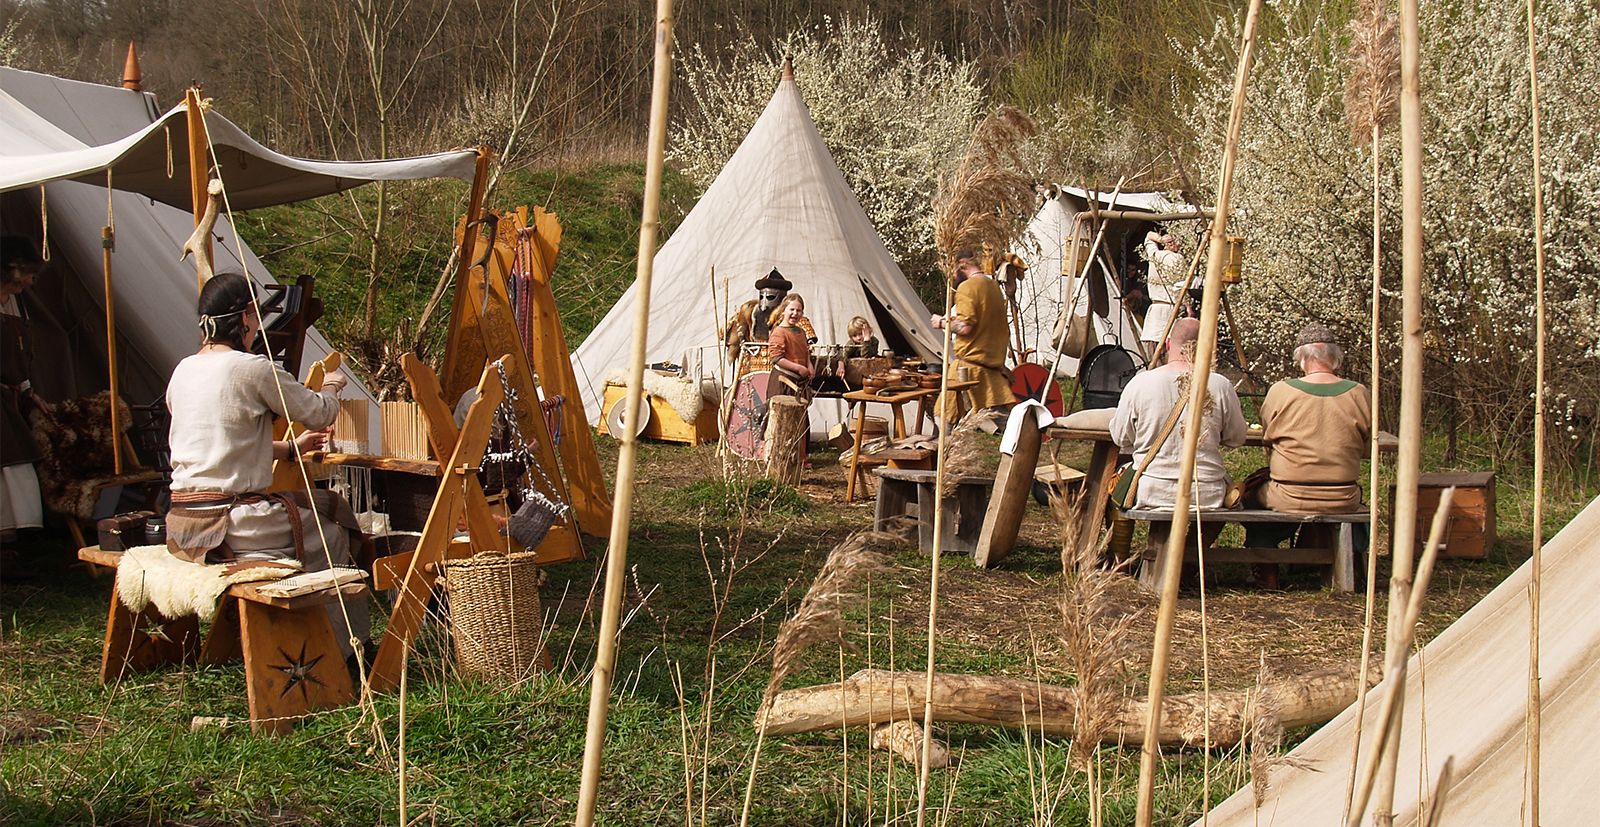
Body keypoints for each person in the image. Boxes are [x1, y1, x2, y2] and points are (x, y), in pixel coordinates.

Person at [164, 272, 368, 654]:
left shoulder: (182, 371)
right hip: (232, 524)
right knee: (331, 531)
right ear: (243, 318)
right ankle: (348, 651)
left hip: (184, 525)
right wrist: (331, 385)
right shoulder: (253, 368)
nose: (256, 327)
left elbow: (220, 441)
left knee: (315, 516)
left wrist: (290, 450)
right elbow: (320, 413)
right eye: (255, 318)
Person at [1244, 322, 1372, 588]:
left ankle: (1266, 568)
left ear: (1301, 357)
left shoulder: (1281, 391)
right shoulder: (1360, 393)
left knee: (1246, 496)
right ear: (1335, 357)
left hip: (1288, 494)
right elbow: (1367, 449)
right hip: (1343, 496)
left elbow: (1268, 434)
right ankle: (1338, 565)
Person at [1110, 317, 1248, 509]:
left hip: (1153, 490)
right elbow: (1237, 438)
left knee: (1117, 479)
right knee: (1231, 492)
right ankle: (1196, 540)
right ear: (1206, 347)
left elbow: (1120, 438)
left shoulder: (1140, 383)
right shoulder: (1221, 384)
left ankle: (1119, 539)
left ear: (1168, 344)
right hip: (1206, 493)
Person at [1, 237, 50, 571]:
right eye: (27, 273)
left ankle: (8, 545)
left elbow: (17, 356)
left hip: (9, 398)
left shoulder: (13, 304)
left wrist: (29, 391)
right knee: (7, 468)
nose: (30, 281)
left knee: (12, 471)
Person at [930, 251, 1015, 423]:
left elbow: (966, 327)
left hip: (968, 370)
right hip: (991, 369)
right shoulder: (993, 287)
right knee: (1006, 425)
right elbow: (983, 323)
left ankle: (948, 451)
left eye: (953, 268)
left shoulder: (967, 287)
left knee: (943, 419)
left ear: (962, 263)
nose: (953, 274)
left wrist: (941, 323)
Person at [723, 268, 816, 378]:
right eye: (763, 296)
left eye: (771, 296)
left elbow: (806, 349)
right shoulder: (747, 315)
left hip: (781, 372)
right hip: (749, 370)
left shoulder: (796, 322)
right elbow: (724, 335)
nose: (766, 300)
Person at [764, 294, 813, 465]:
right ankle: (780, 458)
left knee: (799, 420)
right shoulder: (778, 332)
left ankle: (800, 458)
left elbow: (806, 352)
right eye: (792, 309)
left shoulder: (801, 332)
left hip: (798, 382)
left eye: (799, 310)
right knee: (783, 421)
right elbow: (776, 358)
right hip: (783, 381)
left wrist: (809, 366)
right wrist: (799, 368)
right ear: (783, 310)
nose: (795, 313)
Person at [1140, 230, 1186, 359]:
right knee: (1168, 353)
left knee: (1153, 353)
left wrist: (1160, 239)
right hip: (1169, 309)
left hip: (1156, 310)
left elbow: (1149, 236)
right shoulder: (1177, 259)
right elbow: (1183, 285)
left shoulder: (1154, 255)